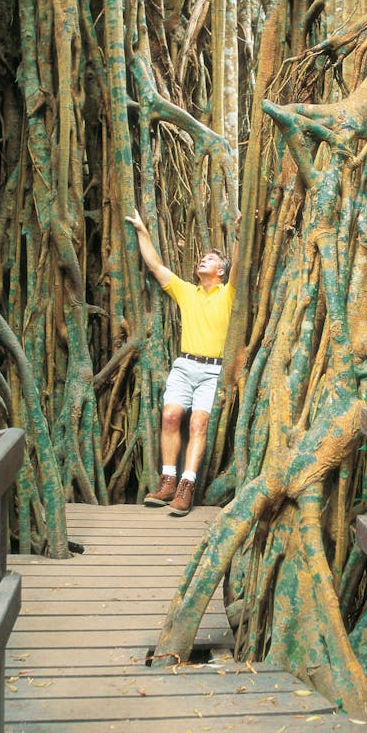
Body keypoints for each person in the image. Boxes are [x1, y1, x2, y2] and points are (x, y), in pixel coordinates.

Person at [126, 209, 234, 516]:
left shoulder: (229, 294)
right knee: (171, 416)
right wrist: (142, 230)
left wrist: (239, 232)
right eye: (203, 257)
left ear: (221, 272)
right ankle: (168, 481)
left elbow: (241, 266)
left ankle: (187, 486)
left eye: (211, 259)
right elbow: (156, 266)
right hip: (185, 367)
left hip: (214, 370)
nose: (203, 259)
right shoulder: (187, 293)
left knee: (199, 423)